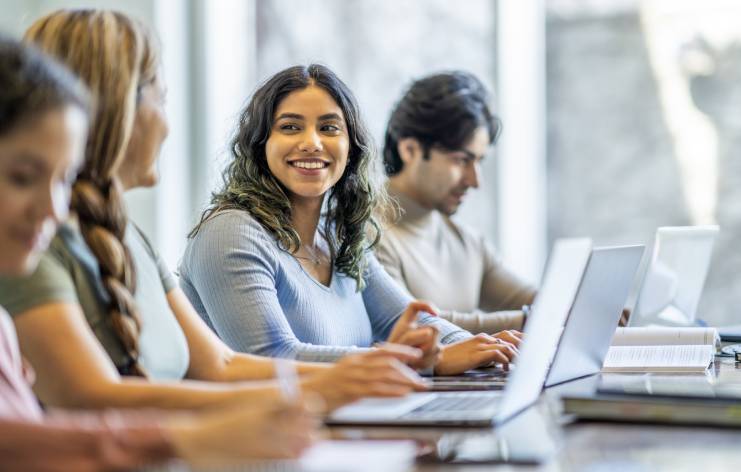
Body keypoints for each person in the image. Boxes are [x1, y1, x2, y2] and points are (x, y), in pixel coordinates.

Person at [0, 9, 428, 413]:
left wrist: (357, 373)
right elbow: (95, 400)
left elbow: (220, 366)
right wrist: (321, 387)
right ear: (115, 111)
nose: (168, 126)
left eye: (329, 128)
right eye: (162, 100)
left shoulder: (125, 235)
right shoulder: (32, 238)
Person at [0, 35, 315, 470]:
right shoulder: (227, 231)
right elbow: (63, 416)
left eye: (63, 180)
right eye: (20, 177)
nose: (53, 209)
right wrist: (185, 438)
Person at [180, 64, 519, 375]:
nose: (311, 142)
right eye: (290, 127)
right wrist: (415, 360)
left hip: (339, 429)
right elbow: (272, 356)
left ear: (350, 147)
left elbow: (406, 318)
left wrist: (483, 346)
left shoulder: (339, 236)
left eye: (329, 128)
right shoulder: (230, 233)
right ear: (260, 144)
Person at [378, 71, 536, 335]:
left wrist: (582, 308)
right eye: (462, 160)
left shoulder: (467, 242)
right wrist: (538, 320)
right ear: (410, 150)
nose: (475, 181)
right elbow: (412, 324)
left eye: (479, 161)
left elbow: (538, 301)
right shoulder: (367, 236)